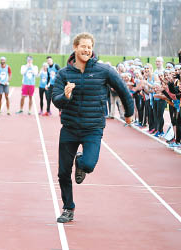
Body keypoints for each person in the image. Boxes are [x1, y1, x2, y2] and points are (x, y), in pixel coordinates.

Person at [52, 32, 134, 223]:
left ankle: (81, 162)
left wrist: (129, 114)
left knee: (88, 164)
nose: (87, 50)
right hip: (70, 128)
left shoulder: (103, 70)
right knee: (63, 172)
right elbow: (55, 101)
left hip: (93, 128)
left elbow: (123, 89)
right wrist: (65, 96)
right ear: (75, 47)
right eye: (83, 46)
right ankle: (68, 208)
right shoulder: (64, 74)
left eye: (89, 47)